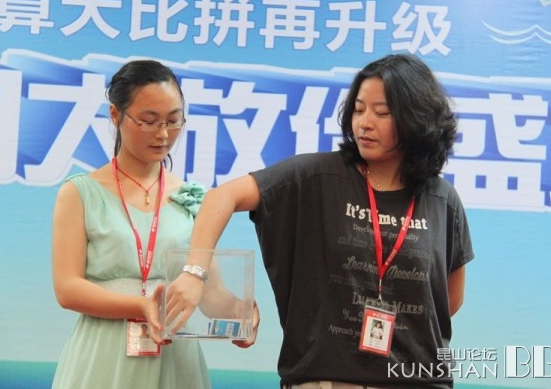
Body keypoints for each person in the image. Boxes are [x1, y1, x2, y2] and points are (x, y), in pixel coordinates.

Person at [165, 53, 474, 388]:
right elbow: (221, 197)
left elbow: (447, 301)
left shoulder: (442, 200)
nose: (364, 123)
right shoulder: (315, 177)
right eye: (358, 109)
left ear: (417, 118)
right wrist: (195, 272)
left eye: (382, 113)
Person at [51, 59, 258, 389]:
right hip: (104, 355)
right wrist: (140, 305)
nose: (163, 134)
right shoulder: (80, 193)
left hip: (174, 357)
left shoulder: (193, 199)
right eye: (149, 122)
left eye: (173, 121)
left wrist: (240, 312)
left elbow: (210, 293)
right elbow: (68, 289)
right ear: (116, 115)